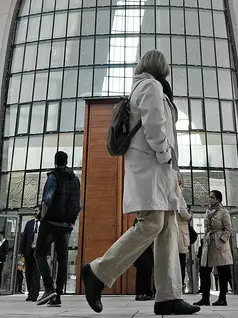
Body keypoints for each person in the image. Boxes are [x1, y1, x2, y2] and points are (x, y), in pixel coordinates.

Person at [78, 50, 199, 316]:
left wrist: (170, 168)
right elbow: (155, 128)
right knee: (152, 223)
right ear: (161, 68)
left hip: (158, 171)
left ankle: (168, 296)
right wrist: (167, 156)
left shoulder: (146, 87)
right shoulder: (150, 86)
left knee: (166, 230)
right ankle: (97, 271)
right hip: (153, 169)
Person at [36, 150, 80, 307]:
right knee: (63, 260)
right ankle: (58, 297)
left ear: (55, 162)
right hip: (67, 225)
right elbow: (77, 203)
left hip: (51, 222)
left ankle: (49, 288)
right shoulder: (75, 180)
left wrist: (42, 216)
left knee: (39, 253)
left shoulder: (53, 176)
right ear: (66, 161)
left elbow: (47, 199)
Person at [195, 190, 233, 307]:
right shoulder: (208, 211)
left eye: (212, 197)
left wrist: (222, 240)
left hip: (219, 244)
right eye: (209, 197)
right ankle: (205, 298)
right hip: (208, 243)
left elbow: (228, 228)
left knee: (222, 271)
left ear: (218, 199)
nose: (209, 199)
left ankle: (222, 298)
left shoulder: (223, 212)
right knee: (204, 271)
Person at [19, 217, 40, 301]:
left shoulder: (45, 223)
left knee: (36, 273)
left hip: (39, 252)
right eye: (34, 210)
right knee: (29, 273)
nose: (36, 212)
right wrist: (21, 251)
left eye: (37, 210)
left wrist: (48, 252)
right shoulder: (29, 223)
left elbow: (47, 238)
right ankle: (30, 293)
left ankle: (35, 293)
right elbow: (24, 237)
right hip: (29, 252)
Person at [176, 180, 192, 290]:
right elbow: (184, 214)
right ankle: (180, 285)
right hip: (180, 235)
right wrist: (190, 216)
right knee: (180, 263)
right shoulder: (178, 197)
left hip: (175, 235)